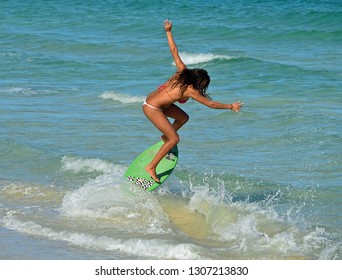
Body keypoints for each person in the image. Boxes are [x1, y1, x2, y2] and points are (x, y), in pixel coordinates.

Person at [143, 19, 243, 182]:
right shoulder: (190, 90)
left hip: (155, 102)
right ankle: (151, 167)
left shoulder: (182, 71)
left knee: (183, 117)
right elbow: (210, 104)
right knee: (175, 139)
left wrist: (168, 31)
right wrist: (230, 106)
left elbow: (174, 51)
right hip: (152, 108)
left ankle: (165, 138)